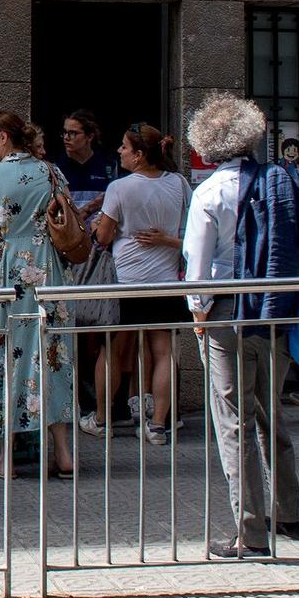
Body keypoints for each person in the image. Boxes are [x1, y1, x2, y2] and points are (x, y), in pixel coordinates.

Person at [182, 94, 299, 558]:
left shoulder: (209, 193)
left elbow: (199, 263)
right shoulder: (280, 183)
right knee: (270, 410)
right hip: (273, 308)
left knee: (233, 421)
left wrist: (198, 311)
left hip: (227, 312)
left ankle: (249, 533)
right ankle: (288, 512)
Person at [0, 111, 76, 478]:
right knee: (52, 356)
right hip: (49, 273)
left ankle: (8, 458)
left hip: (7, 272)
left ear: (2, 137)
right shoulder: (53, 172)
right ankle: (63, 454)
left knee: (5, 356)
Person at [91, 122, 191, 445]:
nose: (118, 152)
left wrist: (96, 227)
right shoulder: (179, 184)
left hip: (126, 281)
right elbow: (192, 235)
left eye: (123, 147)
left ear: (138, 155)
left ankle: (103, 418)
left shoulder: (120, 188)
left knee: (112, 351)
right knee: (164, 352)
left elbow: (104, 237)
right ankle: (158, 425)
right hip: (164, 283)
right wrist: (167, 241)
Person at [56, 111, 132, 435]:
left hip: (102, 256)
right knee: (74, 329)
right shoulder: (58, 168)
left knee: (101, 331)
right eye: (64, 132)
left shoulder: (108, 167)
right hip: (70, 254)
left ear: (89, 135)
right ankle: (79, 398)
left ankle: (110, 402)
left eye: (74, 133)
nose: (67, 138)